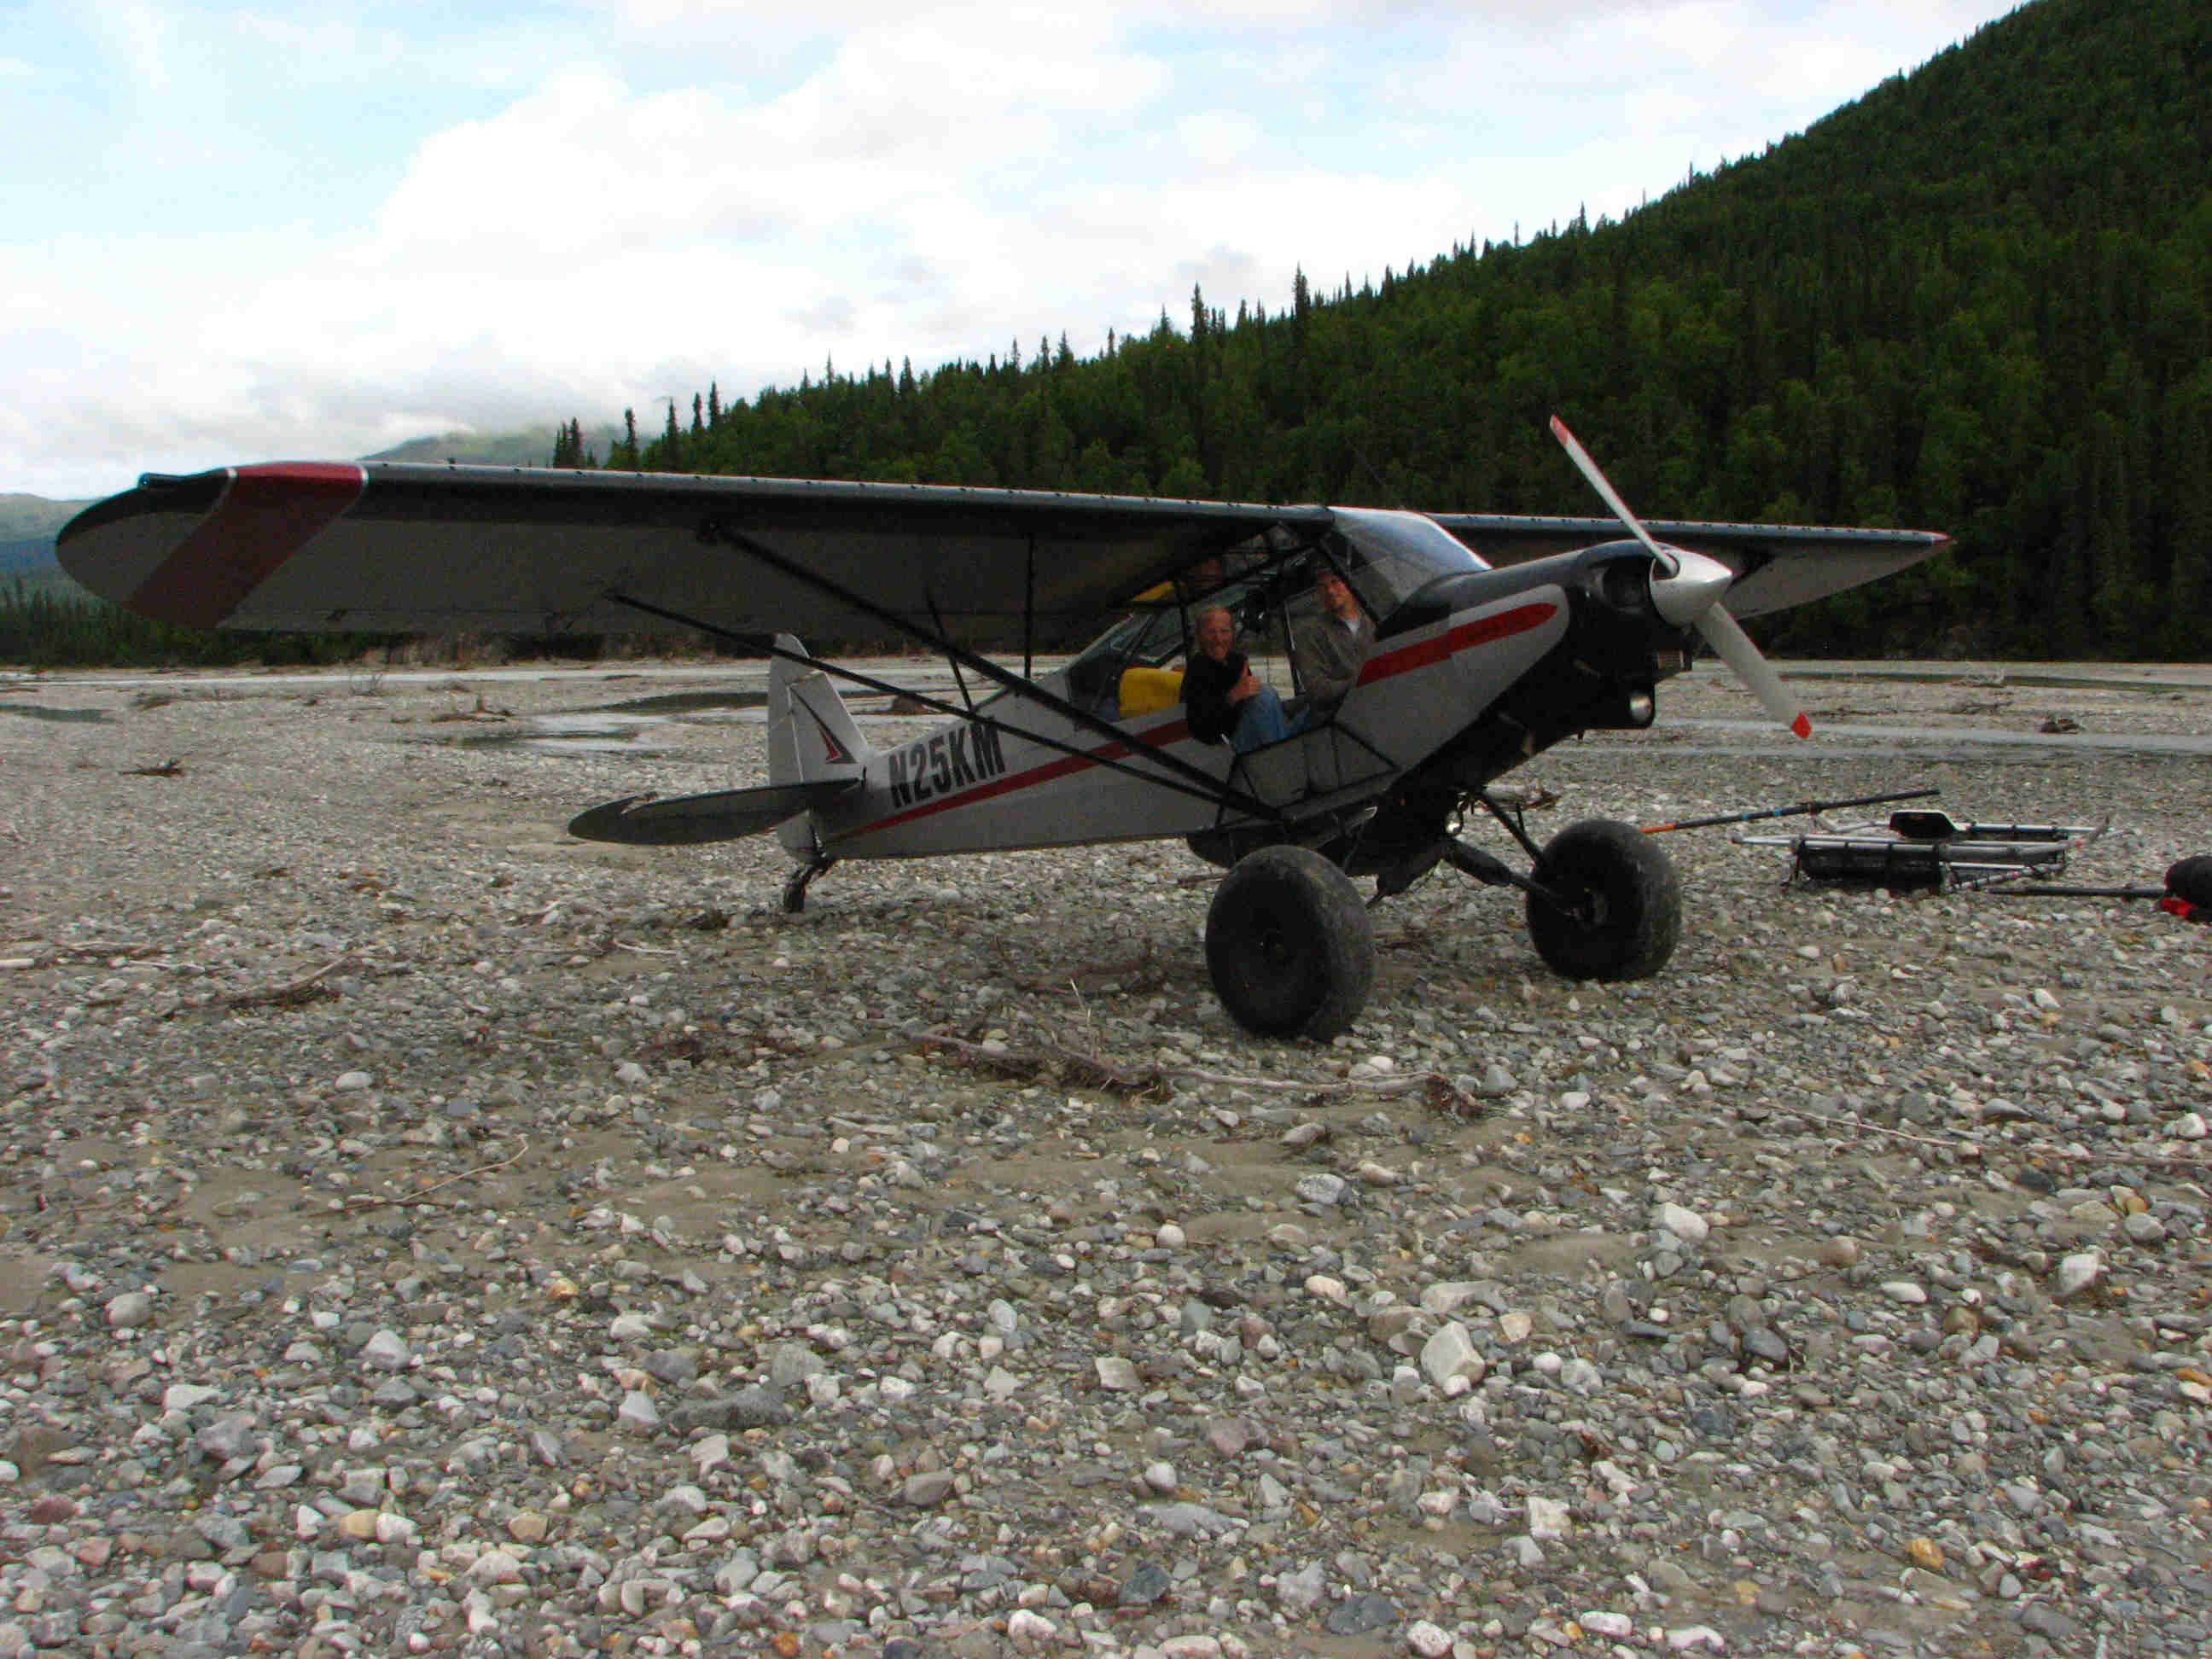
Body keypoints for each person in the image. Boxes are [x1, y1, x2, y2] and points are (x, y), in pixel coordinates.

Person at [1183, 606, 1292, 752]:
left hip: (1255, 732)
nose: (1218, 639)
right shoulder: (1197, 669)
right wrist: (1231, 697)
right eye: (1211, 632)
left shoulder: (1238, 661)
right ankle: (1284, 756)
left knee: (1315, 710)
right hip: (1223, 749)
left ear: (1233, 634)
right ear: (1200, 636)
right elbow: (1199, 729)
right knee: (1265, 695)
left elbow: (1253, 705)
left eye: (1224, 631)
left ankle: (1285, 751)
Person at [1295, 568, 1375, 713]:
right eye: (1322, 587)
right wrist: (1362, 682)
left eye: (1335, 582)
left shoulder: (1375, 619)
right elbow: (1316, 688)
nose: (1330, 591)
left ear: (1349, 582)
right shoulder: (1309, 634)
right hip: (1341, 715)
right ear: (1317, 594)